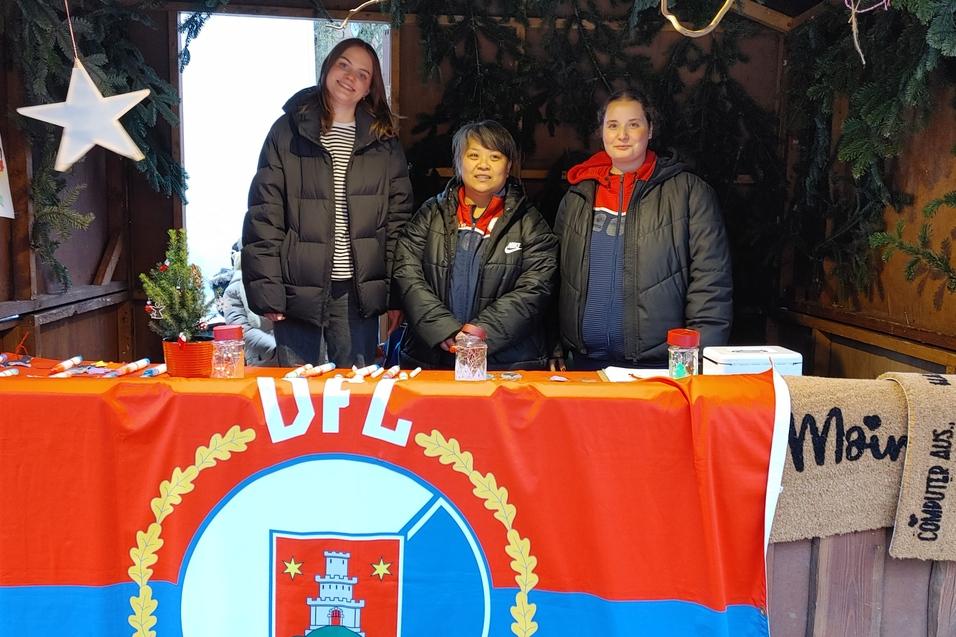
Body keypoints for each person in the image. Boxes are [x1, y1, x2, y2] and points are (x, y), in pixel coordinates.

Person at [242, 38, 412, 368]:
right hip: (296, 291)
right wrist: (268, 292)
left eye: (363, 74)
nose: (350, 77)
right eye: (344, 65)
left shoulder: (385, 143)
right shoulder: (286, 132)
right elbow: (265, 214)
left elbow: (398, 225)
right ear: (328, 68)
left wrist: (396, 295)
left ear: (369, 88)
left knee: (355, 398)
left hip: (357, 294)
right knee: (297, 396)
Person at [554, 88, 732, 370]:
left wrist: (699, 361)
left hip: (661, 368)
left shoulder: (689, 192)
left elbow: (711, 284)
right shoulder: (577, 196)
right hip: (584, 365)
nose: (622, 135)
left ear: (650, 131)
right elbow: (553, 280)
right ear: (601, 132)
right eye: (613, 125)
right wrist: (555, 347)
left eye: (633, 124)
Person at [393, 120, 558, 370]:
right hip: (431, 356)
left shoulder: (530, 222)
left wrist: (482, 330)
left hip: (507, 362)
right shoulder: (429, 213)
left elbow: (537, 286)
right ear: (458, 162)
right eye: (473, 155)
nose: (483, 165)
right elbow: (406, 272)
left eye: (495, 156)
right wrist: (441, 327)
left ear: (509, 165)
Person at [223, 241, 277, 366]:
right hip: (263, 360)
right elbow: (241, 329)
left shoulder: (276, 281)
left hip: (295, 356)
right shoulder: (232, 291)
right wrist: (274, 348)